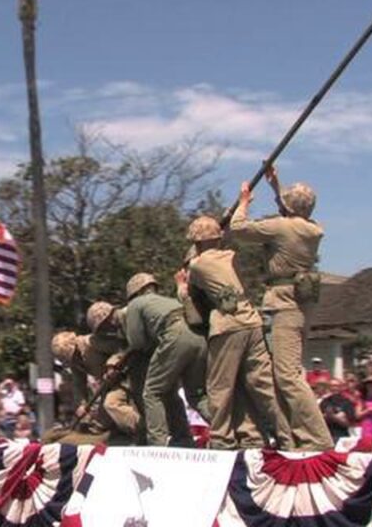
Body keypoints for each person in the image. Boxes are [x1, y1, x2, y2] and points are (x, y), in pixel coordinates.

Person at [228, 167, 333, 452]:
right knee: (289, 372)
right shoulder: (310, 229)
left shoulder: (281, 227)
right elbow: (292, 217)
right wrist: (277, 188)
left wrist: (243, 202)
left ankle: (317, 439)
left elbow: (238, 230)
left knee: (286, 375)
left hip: (283, 303)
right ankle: (299, 435)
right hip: (301, 303)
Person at [177, 215, 287, 450]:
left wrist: (180, 287)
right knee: (263, 385)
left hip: (226, 326)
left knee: (219, 388)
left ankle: (222, 440)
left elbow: (193, 301)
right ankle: (287, 434)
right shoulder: (232, 257)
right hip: (252, 321)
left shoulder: (196, 265)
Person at [102, 273, 209, 447]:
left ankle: (157, 445)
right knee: (196, 396)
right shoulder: (166, 301)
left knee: (152, 392)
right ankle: (225, 433)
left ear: (134, 294)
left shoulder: (136, 304)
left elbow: (137, 342)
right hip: (199, 338)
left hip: (175, 336)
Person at [49, 329, 140, 444]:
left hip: (126, 377)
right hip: (109, 385)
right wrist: (81, 404)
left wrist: (111, 365)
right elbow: (78, 383)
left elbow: (121, 348)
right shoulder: (75, 360)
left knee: (111, 404)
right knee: (98, 425)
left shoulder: (91, 342)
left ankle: (144, 430)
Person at [320, 378, 357, 444]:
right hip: (327, 437)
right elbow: (319, 420)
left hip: (342, 438)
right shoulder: (324, 402)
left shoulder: (347, 402)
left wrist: (333, 417)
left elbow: (348, 424)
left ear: (341, 387)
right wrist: (328, 416)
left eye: (336, 386)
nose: (334, 388)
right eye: (332, 386)